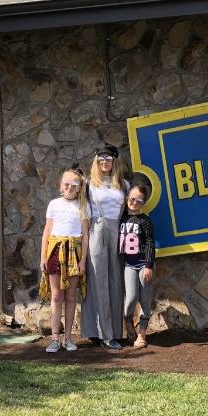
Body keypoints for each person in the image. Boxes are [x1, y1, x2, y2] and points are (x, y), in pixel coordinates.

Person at [80, 144, 128, 349]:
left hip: (117, 229)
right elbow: (83, 214)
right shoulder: (89, 185)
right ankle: (98, 332)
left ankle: (114, 332)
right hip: (96, 230)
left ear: (114, 161)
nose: (105, 163)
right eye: (101, 160)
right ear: (96, 162)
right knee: (97, 279)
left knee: (115, 280)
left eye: (108, 159)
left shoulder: (123, 184)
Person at [39, 168, 90, 353]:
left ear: (79, 188)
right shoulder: (53, 204)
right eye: (66, 184)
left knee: (70, 297)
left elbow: (85, 236)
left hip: (74, 254)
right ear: (61, 186)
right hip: (55, 252)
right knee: (56, 296)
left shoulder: (83, 206)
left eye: (74, 185)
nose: (69, 188)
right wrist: (43, 256)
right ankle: (54, 338)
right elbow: (47, 232)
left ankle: (68, 338)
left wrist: (83, 261)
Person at [118, 181, 156, 348]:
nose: (134, 202)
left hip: (143, 264)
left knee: (145, 301)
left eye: (139, 200)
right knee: (130, 299)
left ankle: (142, 335)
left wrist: (149, 265)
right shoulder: (122, 218)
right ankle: (128, 325)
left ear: (143, 203)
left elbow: (149, 243)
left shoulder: (145, 220)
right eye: (132, 199)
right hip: (129, 265)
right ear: (127, 198)